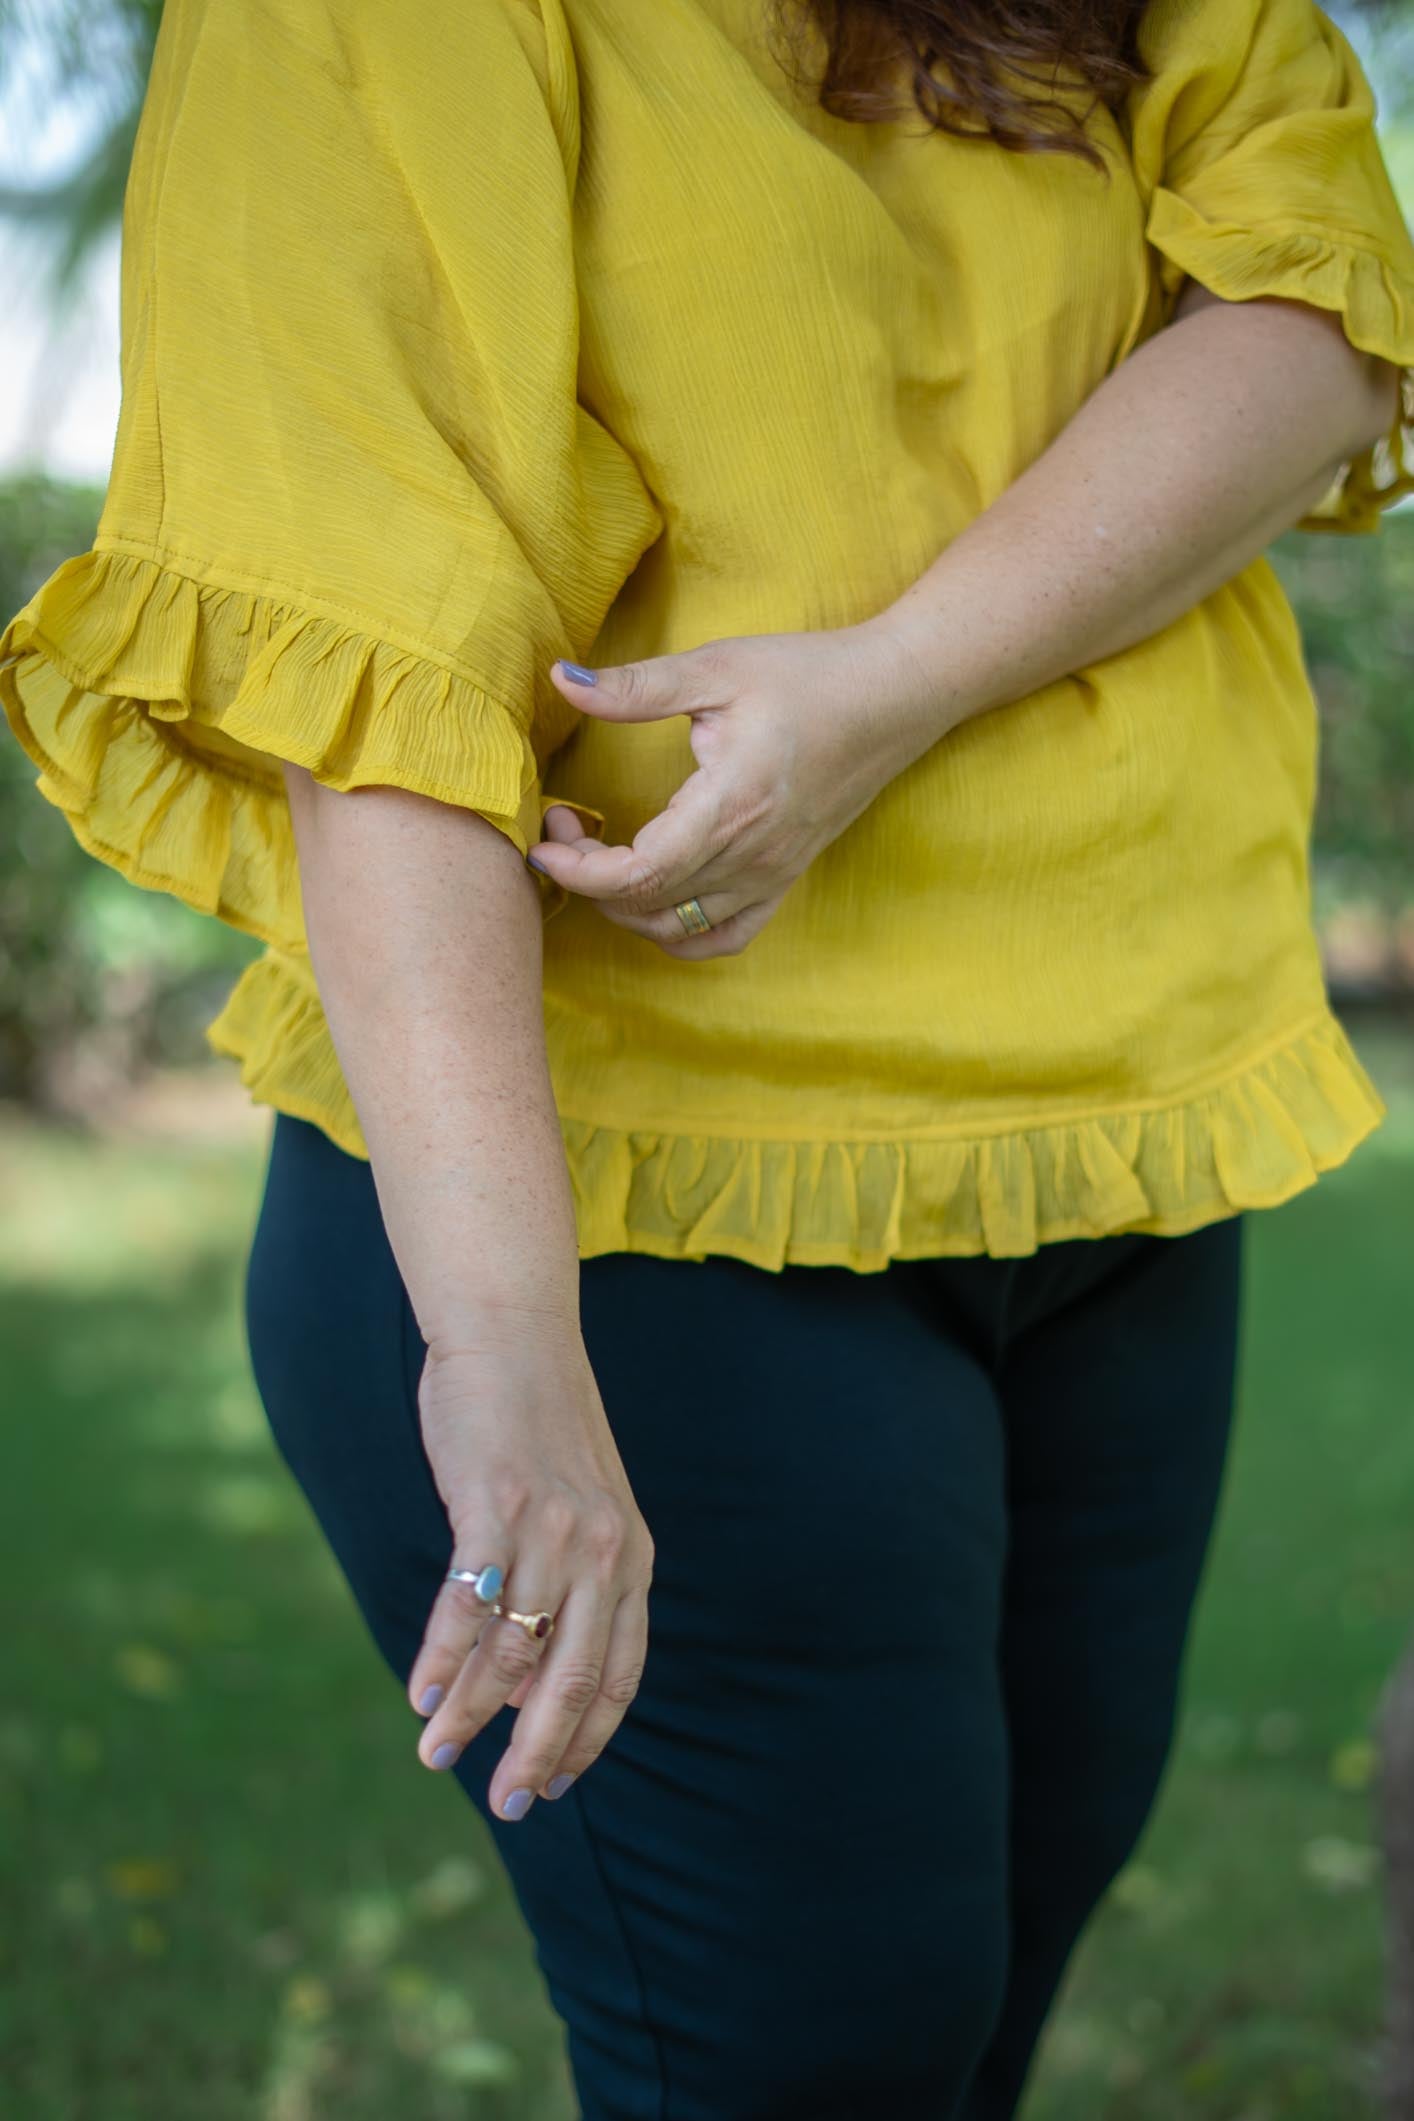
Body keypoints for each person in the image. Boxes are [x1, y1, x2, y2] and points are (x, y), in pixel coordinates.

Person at [3, 0, 1411, 2112]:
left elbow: (1312, 302)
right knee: (814, 2047)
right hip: (627, 1216)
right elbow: (377, 692)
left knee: (975, 1995)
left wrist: (880, 689)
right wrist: (502, 1343)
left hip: (1111, 1140)